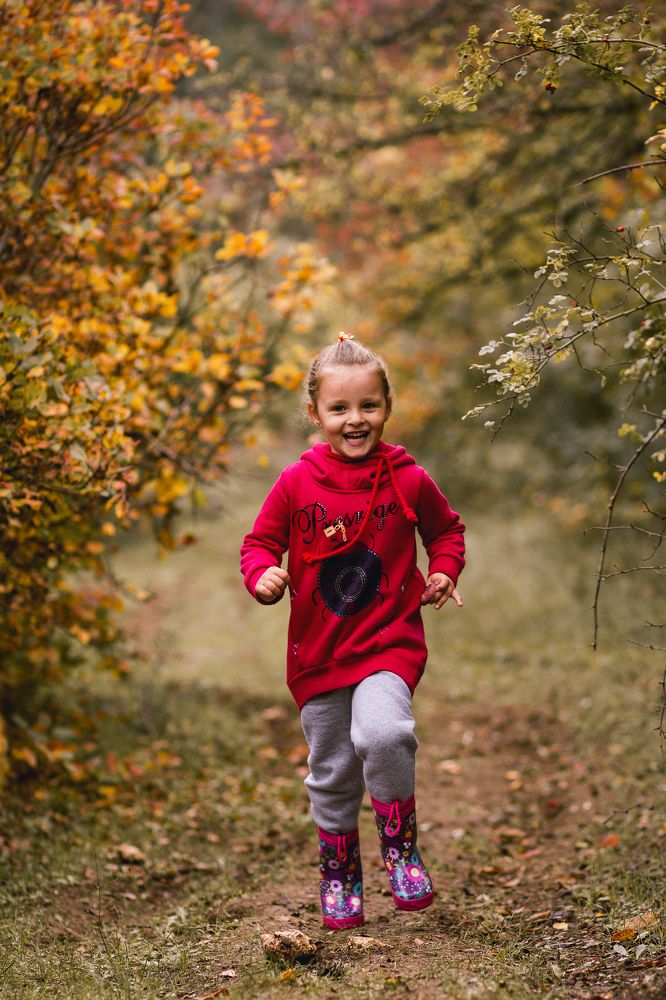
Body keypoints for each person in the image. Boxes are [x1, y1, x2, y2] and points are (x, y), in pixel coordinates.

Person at [240, 333, 465, 930]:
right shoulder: (296, 482)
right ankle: (339, 873)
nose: (355, 419)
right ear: (315, 414)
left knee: (386, 733)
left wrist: (443, 571)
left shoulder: (408, 479)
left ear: (387, 406)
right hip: (318, 652)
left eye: (368, 405)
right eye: (339, 408)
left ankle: (401, 850)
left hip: (389, 642)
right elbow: (259, 543)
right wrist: (263, 574)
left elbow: (446, 532)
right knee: (334, 768)